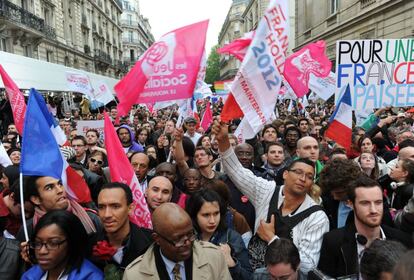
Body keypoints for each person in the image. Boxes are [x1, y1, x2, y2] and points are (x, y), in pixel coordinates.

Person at [212, 119, 329, 274]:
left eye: (309, 176)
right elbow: (237, 172)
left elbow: (308, 265)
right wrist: (223, 141)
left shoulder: (317, 217)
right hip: (256, 274)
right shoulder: (267, 191)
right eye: (298, 173)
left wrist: (272, 239)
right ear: (286, 174)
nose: (303, 179)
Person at [318, 176, 412, 278]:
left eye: (378, 202)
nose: (373, 210)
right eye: (365, 203)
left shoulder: (403, 240)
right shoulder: (333, 241)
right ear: (350, 204)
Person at [122, 203, 232, 279]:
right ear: (157, 239)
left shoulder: (214, 257)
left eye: (190, 235)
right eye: (178, 239)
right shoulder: (134, 275)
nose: (188, 243)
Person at [186, 188, 253, 279]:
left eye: (216, 213)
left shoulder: (232, 238)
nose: (212, 221)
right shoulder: (186, 239)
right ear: (194, 215)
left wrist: (232, 263)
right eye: (206, 215)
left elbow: (249, 277)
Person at [22, 210, 103, 279]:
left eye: (53, 243)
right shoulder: (29, 276)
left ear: (72, 243)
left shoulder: (91, 277)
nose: (42, 251)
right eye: (37, 243)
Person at [95, 182, 153, 274]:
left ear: (130, 208)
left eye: (115, 206)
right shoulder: (88, 245)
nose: (107, 214)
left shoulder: (152, 243)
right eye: (101, 207)